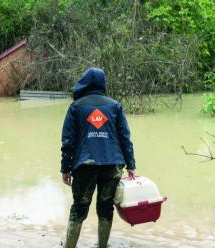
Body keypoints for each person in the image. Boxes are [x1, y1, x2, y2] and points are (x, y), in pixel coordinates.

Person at [60, 67, 136, 248]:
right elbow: (125, 137)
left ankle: (69, 246)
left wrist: (65, 168)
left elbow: (68, 140)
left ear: (84, 82)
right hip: (112, 165)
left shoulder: (77, 107)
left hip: (84, 165)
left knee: (79, 207)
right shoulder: (114, 106)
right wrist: (131, 165)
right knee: (106, 207)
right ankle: (102, 245)